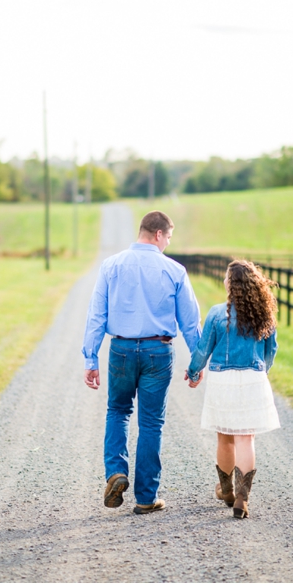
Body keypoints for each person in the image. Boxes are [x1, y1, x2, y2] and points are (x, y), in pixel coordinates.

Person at [82, 210, 202, 514]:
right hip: (158, 352)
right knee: (151, 423)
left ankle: (116, 472)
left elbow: (97, 315)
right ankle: (147, 497)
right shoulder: (174, 270)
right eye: (168, 238)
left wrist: (91, 357)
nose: (167, 244)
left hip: (121, 348)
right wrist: (197, 361)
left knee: (118, 410)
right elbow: (190, 322)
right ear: (159, 234)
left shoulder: (111, 265)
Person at [185, 259, 280, 519]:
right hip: (253, 378)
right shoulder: (264, 314)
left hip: (222, 381)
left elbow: (203, 349)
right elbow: (271, 351)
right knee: (246, 438)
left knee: (225, 437)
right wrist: (261, 372)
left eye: (228, 278)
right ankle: (242, 498)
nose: (225, 281)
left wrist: (193, 371)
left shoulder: (217, 313)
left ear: (231, 284)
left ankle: (225, 490)